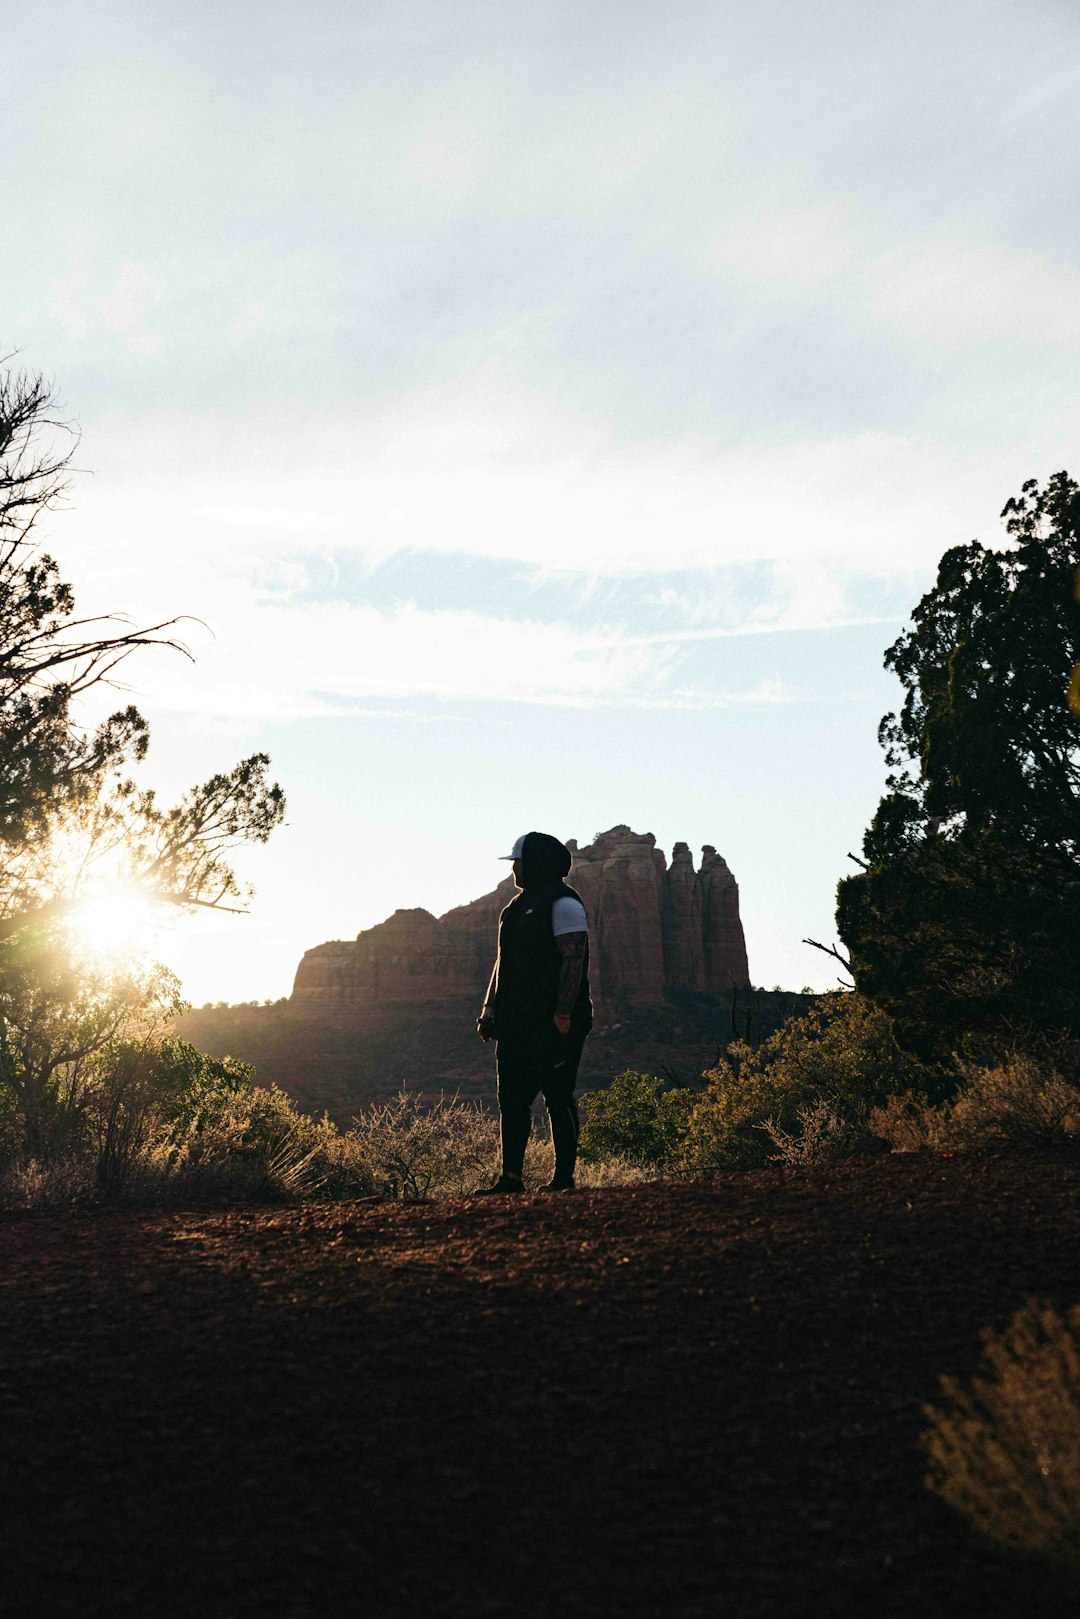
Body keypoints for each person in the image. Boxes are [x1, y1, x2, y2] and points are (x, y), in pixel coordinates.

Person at [475, 831, 593, 1194]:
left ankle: (563, 1179)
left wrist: (562, 1014)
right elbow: (502, 962)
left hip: (555, 1023)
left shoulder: (565, 904)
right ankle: (510, 1179)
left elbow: (574, 960)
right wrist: (489, 1007)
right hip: (515, 1023)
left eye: (519, 861)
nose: (514, 869)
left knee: (558, 1097)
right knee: (511, 1100)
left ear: (537, 863)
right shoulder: (513, 910)